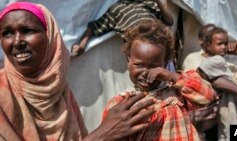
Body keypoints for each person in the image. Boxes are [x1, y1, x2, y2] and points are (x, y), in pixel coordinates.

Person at [0, 2, 157, 141]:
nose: (17, 41)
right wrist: (103, 134)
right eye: (7, 33)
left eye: (27, 30)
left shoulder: (58, 90)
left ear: (50, 37)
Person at [101, 20, 215, 141]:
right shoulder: (121, 104)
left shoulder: (177, 93)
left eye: (153, 66)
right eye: (139, 65)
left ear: (165, 64)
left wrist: (172, 76)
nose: (145, 72)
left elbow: (206, 96)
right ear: (128, 61)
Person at [197, 27, 237, 141]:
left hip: (234, 117)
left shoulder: (226, 65)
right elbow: (218, 83)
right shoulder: (210, 62)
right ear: (207, 45)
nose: (224, 47)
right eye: (219, 44)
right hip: (212, 122)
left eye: (226, 43)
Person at [71, 0, 173, 56]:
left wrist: (159, 2)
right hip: (137, 44)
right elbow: (95, 27)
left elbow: (169, 21)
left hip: (157, 40)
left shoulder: (147, 3)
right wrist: (82, 44)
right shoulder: (116, 9)